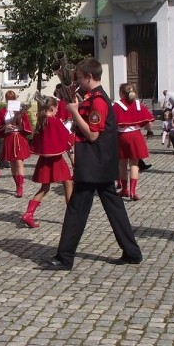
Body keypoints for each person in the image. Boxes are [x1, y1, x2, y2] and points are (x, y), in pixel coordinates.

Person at [41, 58, 143, 270]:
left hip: (93, 164)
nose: (77, 82)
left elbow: (93, 134)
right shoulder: (94, 97)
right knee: (114, 209)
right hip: (101, 163)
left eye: (79, 78)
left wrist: (74, 112)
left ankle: (64, 258)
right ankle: (132, 252)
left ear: (89, 77)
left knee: (76, 211)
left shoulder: (98, 101)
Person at [21, 95, 73, 229]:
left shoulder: (41, 120)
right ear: (52, 108)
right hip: (56, 160)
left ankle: (29, 213)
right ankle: (72, 216)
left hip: (44, 159)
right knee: (68, 183)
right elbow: (65, 137)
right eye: (56, 109)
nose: (57, 111)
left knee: (45, 187)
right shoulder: (54, 121)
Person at [114, 83, 154, 201]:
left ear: (121, 93)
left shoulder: (116, 106)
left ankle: (124, 189)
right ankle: (133, 191)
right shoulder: (138, 104)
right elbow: (148, 122)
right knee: (134, 164)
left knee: (122, 164)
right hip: (136, 135)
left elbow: (110, 123)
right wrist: (150, 131)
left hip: (121, 136)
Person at [0, 90, 33, 197]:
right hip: (9, 137)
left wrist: (20, 119)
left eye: (12, 99)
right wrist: (5, 127)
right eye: (8, 99)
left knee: (19, 162)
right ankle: (17, 185)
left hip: (19, 137)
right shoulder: (3, 111)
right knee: (12, 163)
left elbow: (26, 126)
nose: (10, 101)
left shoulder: (20, 111)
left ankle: (20, 187)